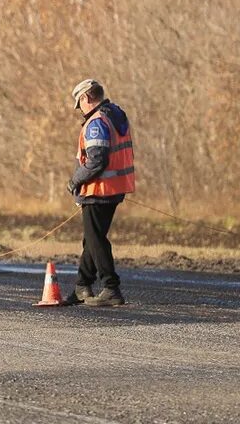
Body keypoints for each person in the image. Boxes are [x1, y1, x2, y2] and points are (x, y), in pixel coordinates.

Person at [66, 78, 135, 307]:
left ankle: (111, 288)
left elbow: (97, 161)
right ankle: (82, 286)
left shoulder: (96, 122)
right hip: (115, 187)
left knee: (96, 239)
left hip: (99, 190)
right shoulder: (116, 114)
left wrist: (75, 181)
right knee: (92, 238)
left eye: (80, 104)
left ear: (86, 97)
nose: (81, 110)